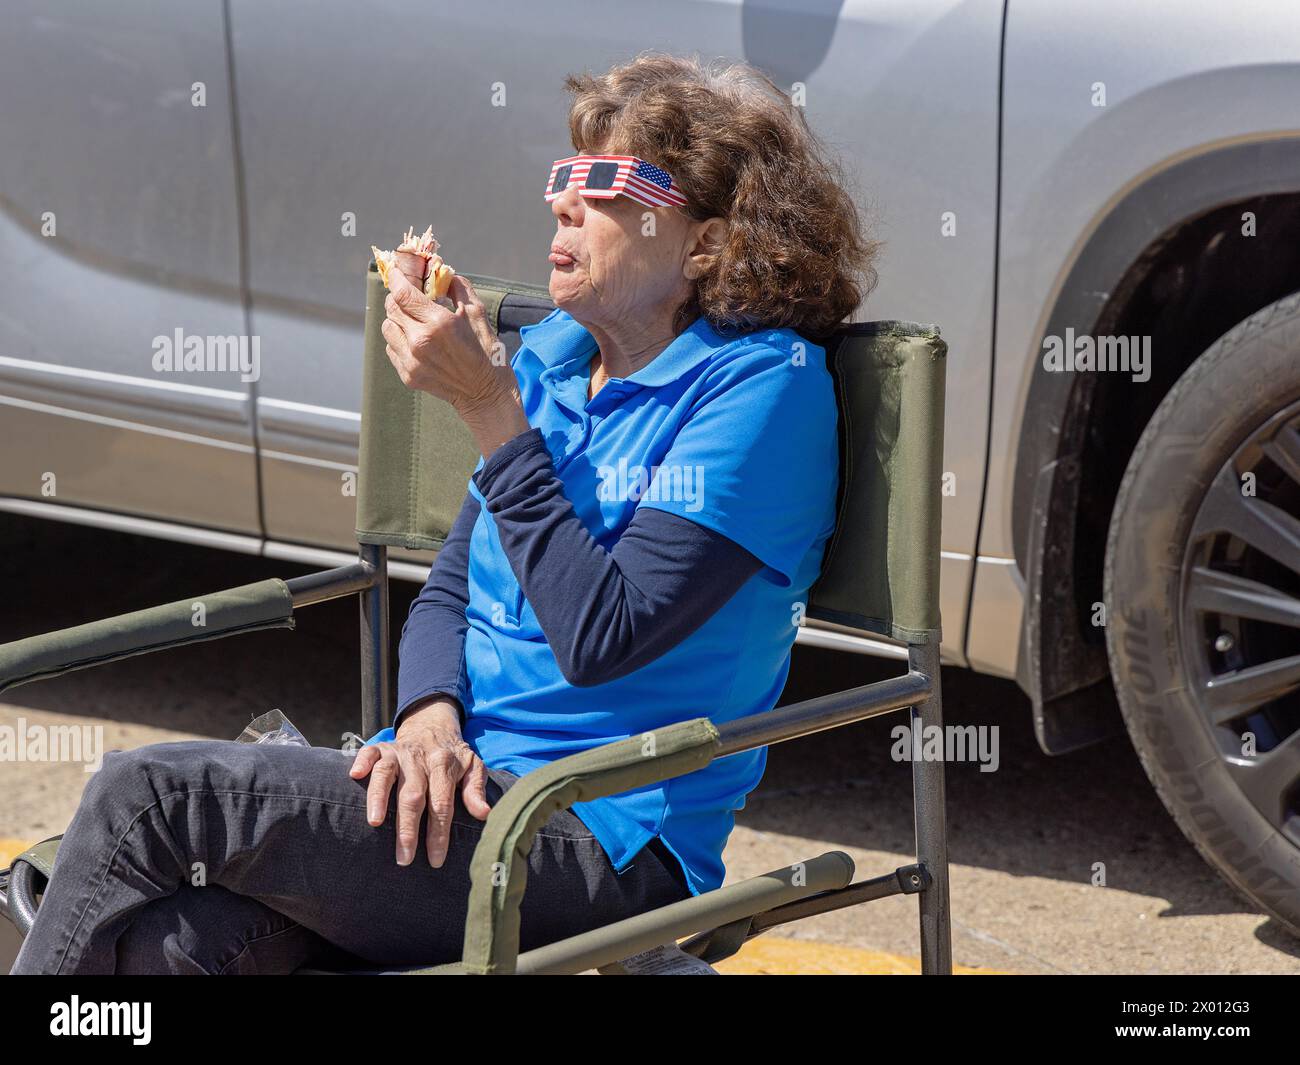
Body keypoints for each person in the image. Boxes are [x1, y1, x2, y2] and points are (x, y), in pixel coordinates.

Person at [12, 51, 876, 974]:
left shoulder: (761, 395)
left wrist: (489, 412)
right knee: (172, 946)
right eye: (562, 175)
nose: (563, 202)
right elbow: (452, 587)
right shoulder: (553, 352)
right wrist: (428, 716)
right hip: (453, 795)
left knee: (153, 794)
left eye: (603, 181)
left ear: (703, 243)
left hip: (592, 836)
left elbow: (601, 636)